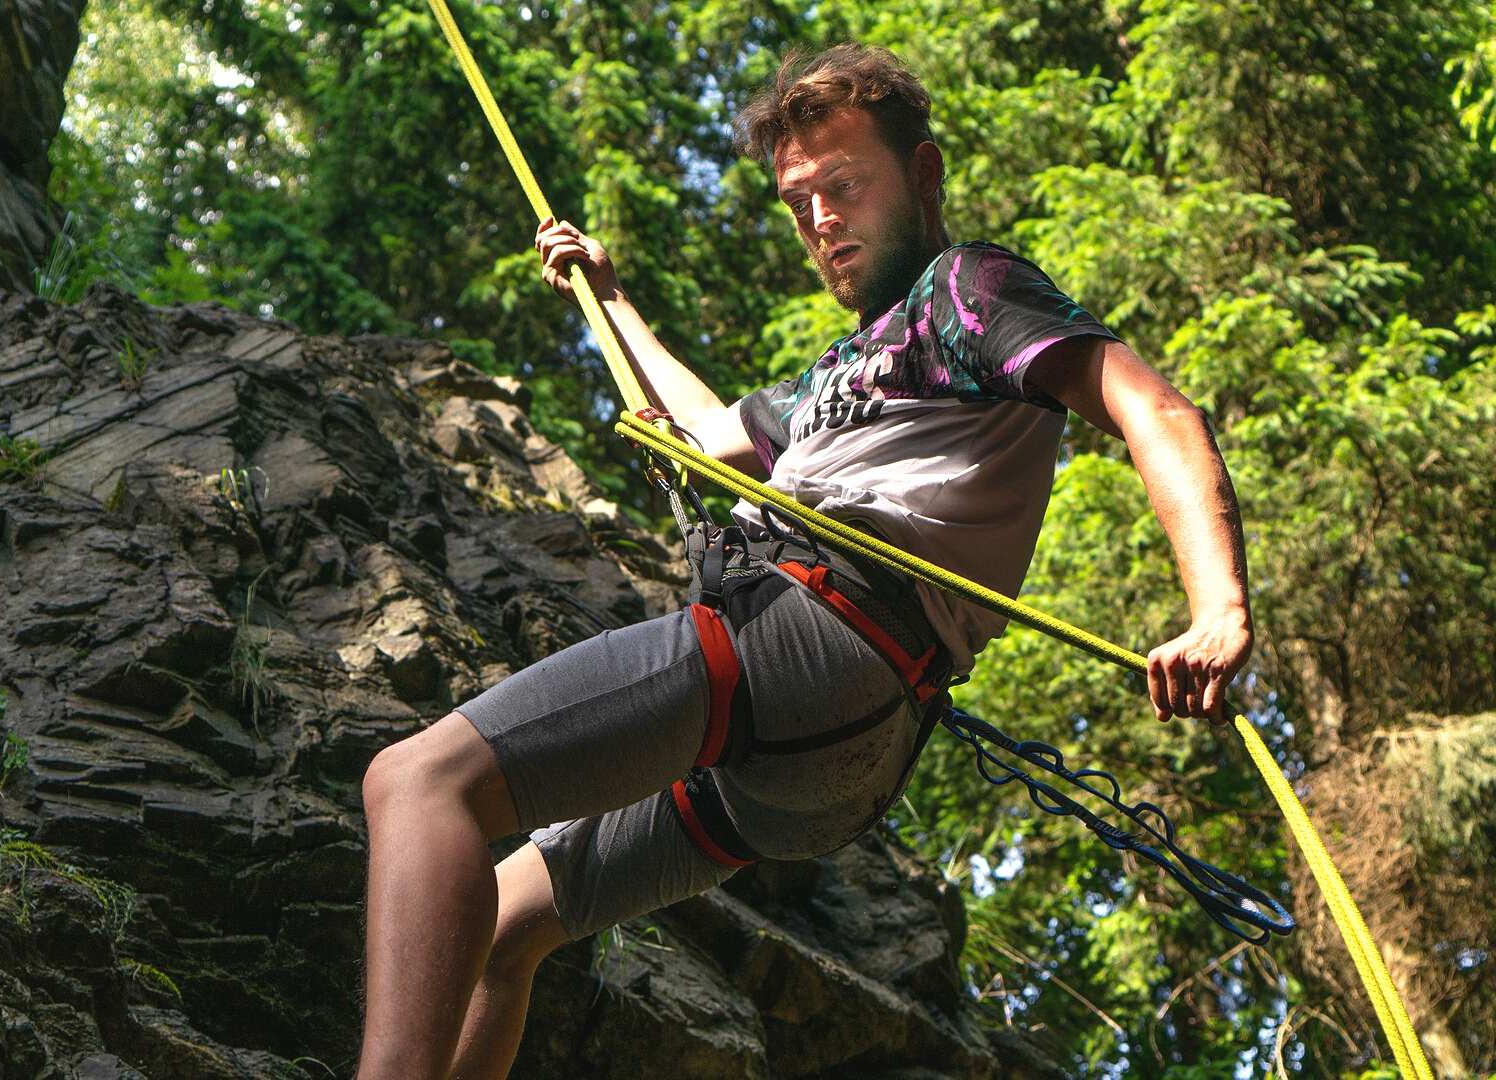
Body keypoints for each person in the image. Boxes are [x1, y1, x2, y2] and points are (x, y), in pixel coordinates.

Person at [357, 43, 1252, 1080]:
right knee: (501, 923)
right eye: (797, 202)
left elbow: (1150, 406)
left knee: (417, 782)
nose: (820, 220)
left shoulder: (967, 291)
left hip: (813, 638)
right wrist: (608, 299)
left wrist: (1217, 606)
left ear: (921, 177)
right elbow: (701, 432)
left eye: (844, 185)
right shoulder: (838, 377)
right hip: (826, 760)